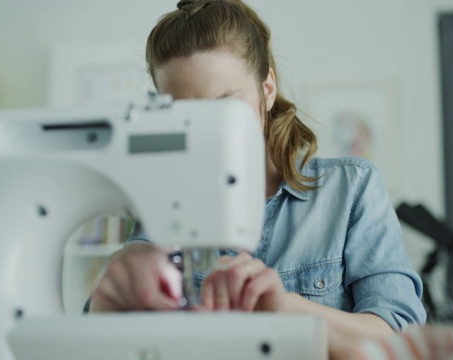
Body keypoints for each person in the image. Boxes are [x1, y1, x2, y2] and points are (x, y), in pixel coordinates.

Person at [87, 0, 426, 358]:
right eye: (186, 116)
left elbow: (400, 339)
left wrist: (288, 311)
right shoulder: (164, 207)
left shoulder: (351, 190)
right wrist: (113, 291)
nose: (210, 135)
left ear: (267, 89)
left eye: (226, 107)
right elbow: (105, 342)